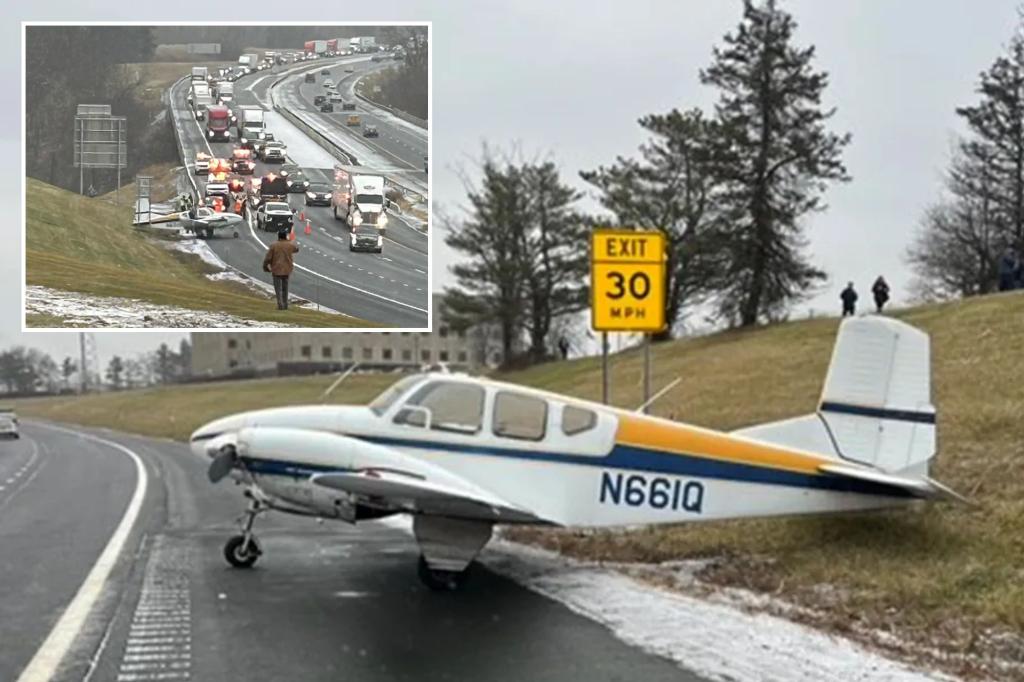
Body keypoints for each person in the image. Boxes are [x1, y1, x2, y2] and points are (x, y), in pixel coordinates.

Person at [263, 228, 299, 310]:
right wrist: (290, 242)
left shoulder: (274, 246)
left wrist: (265, 266)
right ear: (285, 236)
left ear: (278, 236)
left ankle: (280, 304)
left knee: (278, 288)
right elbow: (296, 249)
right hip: (287, 269)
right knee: (285, 288)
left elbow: (268, 258)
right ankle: (285, 304)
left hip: (276, 269)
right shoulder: (289, 245)